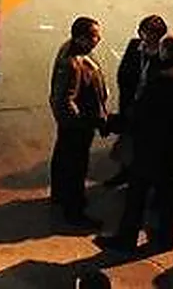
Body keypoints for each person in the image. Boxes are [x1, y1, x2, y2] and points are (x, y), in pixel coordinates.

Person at [98, 33, 173, 256]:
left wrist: (110, 122)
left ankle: (125, 240)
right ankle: (165, 239)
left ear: (165, 51)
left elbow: (140, 116)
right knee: (168, 196)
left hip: (152, 149)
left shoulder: (163, 80)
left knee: (136, 196)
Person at [48, 16, 109, 227]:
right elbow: (64, 99)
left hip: (74, 124)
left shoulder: (75, 52)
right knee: (75, 166)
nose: (98, 39)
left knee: (63, 159)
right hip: (77, 126)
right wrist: (81, 122)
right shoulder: (71, 63)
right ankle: (73, 210)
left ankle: (60, 195)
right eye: (94, 36)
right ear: (81, 38)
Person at [107, 14, 168, 185]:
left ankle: (144, 177)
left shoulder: (164, 55)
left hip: (150, 108)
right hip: (130, 103)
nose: (145, 38)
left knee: (147, 143)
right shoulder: (135, 47)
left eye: (151, 35)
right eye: (143, 33)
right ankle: (125, 172)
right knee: (128, 140)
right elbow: (123, 73)